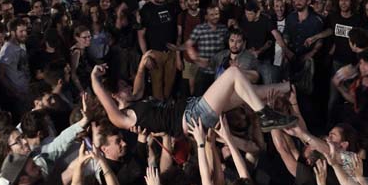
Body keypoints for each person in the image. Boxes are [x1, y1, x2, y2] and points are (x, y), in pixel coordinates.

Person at [90, 60, 297, 136]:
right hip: (192, 118)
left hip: (193, 107)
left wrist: (143, 64)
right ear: (114, 96)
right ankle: (265, 115)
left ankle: (291, 87)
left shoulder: (136, 100)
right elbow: (109, 107)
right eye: (123, 87)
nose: (128, 87)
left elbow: (138, 86)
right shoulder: (123, 118)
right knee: (233, 74)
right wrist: (94, 79)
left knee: (248, 92)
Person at [138, 0, 180, 100]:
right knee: (157, 88)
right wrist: (146, 57)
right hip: (155, 53)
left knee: (169, 87)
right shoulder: (146, 10)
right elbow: (141, 35)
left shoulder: (171, 6)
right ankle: (159, 113)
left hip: (171, 52)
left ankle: (166, 110)